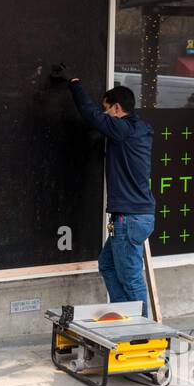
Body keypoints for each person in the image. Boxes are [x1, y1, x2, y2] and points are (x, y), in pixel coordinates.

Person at [68, 77, 155, 317]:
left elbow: (90, 114)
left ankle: (141, 331)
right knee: (107, 265)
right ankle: (125, 317)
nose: (104, 115)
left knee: (131, 279)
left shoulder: (123, 129)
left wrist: (75, 84)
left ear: (117, 108)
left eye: (107, 109)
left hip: (129, 219)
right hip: (134, 217)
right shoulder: (139, 130)